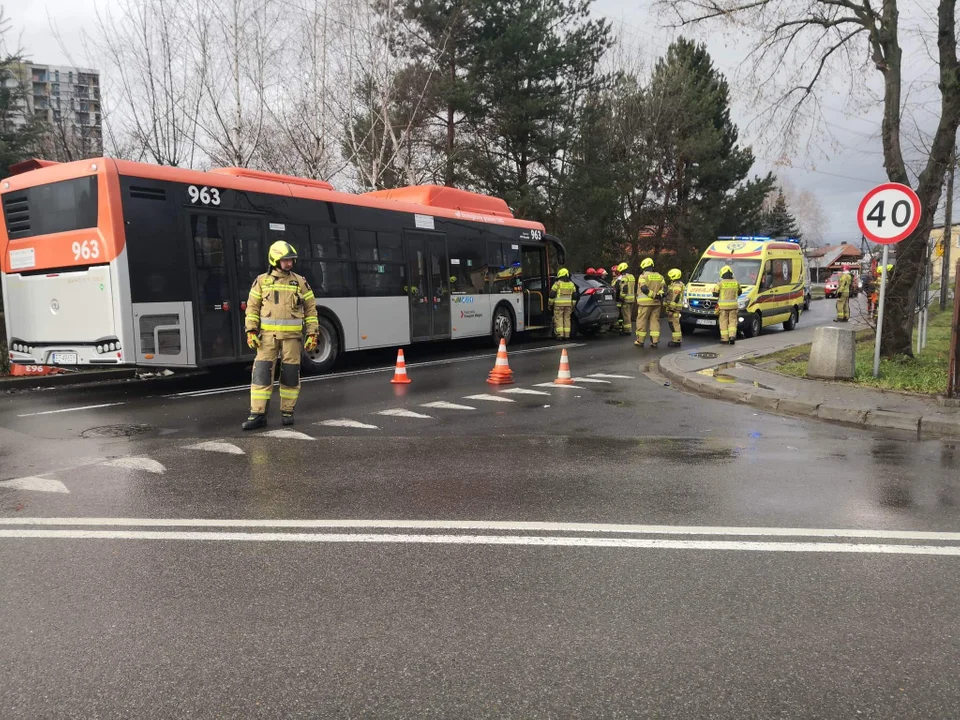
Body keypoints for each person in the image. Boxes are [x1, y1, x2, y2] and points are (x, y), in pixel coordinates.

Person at [242, 241, 319, 430]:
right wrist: (251, 330)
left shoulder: (300, 282)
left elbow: (311, 310)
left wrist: (312, 333)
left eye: (291, 260)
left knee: (291, 375)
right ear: (275, 259)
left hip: (292, 339)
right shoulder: (261, 281)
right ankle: (257, 415)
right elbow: (251, 308)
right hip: (267, 338)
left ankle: (287, 412)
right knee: (261, 375)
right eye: (285, 261)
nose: (289, 264)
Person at [634, 257, 665, 348]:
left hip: (644, 304)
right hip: (656, 304)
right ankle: (655, 341)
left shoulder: (643, 276)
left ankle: (640, 341)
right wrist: (659, 295)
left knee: (641, 322)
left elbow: (644, 288)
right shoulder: (660, 276)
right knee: (655, 322)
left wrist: (653, 295)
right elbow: (665, 289)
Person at [714, 265, 741, 345]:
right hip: (734, 307)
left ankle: (724, 339)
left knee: (723, 322)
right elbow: (740, 292)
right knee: (732, 322)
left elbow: (715, 294)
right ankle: (732, 336)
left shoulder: (720, 283)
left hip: (723, 307)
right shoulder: (736, 282)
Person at [549, 268, 578, 339]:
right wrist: (573, 305)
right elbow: (574, 296)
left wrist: (550, 304)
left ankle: (560, 335)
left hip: (558, 306)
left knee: (559, 319)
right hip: (568, 306)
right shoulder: (572, 284)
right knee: (567, 319)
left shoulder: (557, 284)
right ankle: (567, 335)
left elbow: (552, 294)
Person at [665, 268, 685, 347]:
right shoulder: (675, 284)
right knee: (672, 323)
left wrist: (671, 309)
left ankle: (677, 341)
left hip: (675, 308)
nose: (670, 278)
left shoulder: (677, 285)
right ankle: (675, 339)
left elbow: (676, 297)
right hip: (674, 308)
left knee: (675, 324)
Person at [615, 262, 636, 336]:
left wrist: (621, 297)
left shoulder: (624, 277)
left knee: (626, 315)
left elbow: (624, 288)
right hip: (632, 298)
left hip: (626, 299)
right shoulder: (632, 276)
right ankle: (628, 329)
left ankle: (627, 330)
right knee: (629, 314)